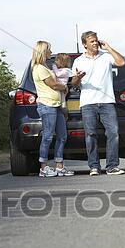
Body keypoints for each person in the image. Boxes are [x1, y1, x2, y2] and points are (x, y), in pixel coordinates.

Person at [71, 31, 125, 176]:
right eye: (91, 41)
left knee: (113, 133)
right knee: (90, 134)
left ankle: (112, 166)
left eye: (96, 41)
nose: (95, 43)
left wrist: (108, 47)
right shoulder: (78, 61)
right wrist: (77, 78)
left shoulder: (106, 56)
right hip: (88, 103)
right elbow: (74, 84)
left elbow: (121, 62)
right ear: (85, 44)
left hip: (107, 102)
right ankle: (94, 167)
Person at [31, 41, 74, 177]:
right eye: (49, 49)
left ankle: (59, 166)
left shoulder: (46, 67)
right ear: (43, 51)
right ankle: (43, 168)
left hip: (56, 106)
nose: (51, 52)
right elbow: (54, 85)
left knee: (62, 136)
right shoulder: (39, 68)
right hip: (47, 105)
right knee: (48, 137)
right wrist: (65, 87)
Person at [52, 53, 73, 120]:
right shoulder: (59, 70)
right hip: (57, 89)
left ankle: (65, 116)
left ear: (62, 62)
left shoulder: (66, 71)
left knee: (63, 105)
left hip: (61, 88)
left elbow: (58, 74)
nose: (55, 62)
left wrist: (53, 66)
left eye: (56, 60)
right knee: (60, 104)